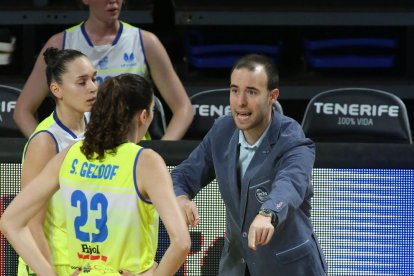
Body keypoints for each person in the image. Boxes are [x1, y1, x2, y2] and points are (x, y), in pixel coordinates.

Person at [1, 73, 191, 276]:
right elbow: (181, 242)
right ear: (143, 116)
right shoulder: (145, 162)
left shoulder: (72, 153)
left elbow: (10, 221)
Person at [172, 54, 327, 276]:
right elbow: (183, 175)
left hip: (288, 268)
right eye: (235, 90)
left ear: (272, 96)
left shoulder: (292, 139)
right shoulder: (222, 132)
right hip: (236, 266)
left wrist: (269, 213)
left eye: (251, 92)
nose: (240, 102)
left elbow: (291, 183)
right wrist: (181, 198)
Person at [13, 0, 193, 140]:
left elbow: (183, 108)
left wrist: (164, 150)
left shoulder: (146, 42)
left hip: (132, 156)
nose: (113, 1)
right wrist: (46, 145)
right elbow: (23, 110)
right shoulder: (59, 44)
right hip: (79, 154)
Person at [16, 47, 98, 276]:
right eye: (82, 82)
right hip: (52, 265)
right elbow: (31, 223)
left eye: (94, 78)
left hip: (87, 263)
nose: (93, 87)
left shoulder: (96, 126)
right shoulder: (45, 141)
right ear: (57, 90)